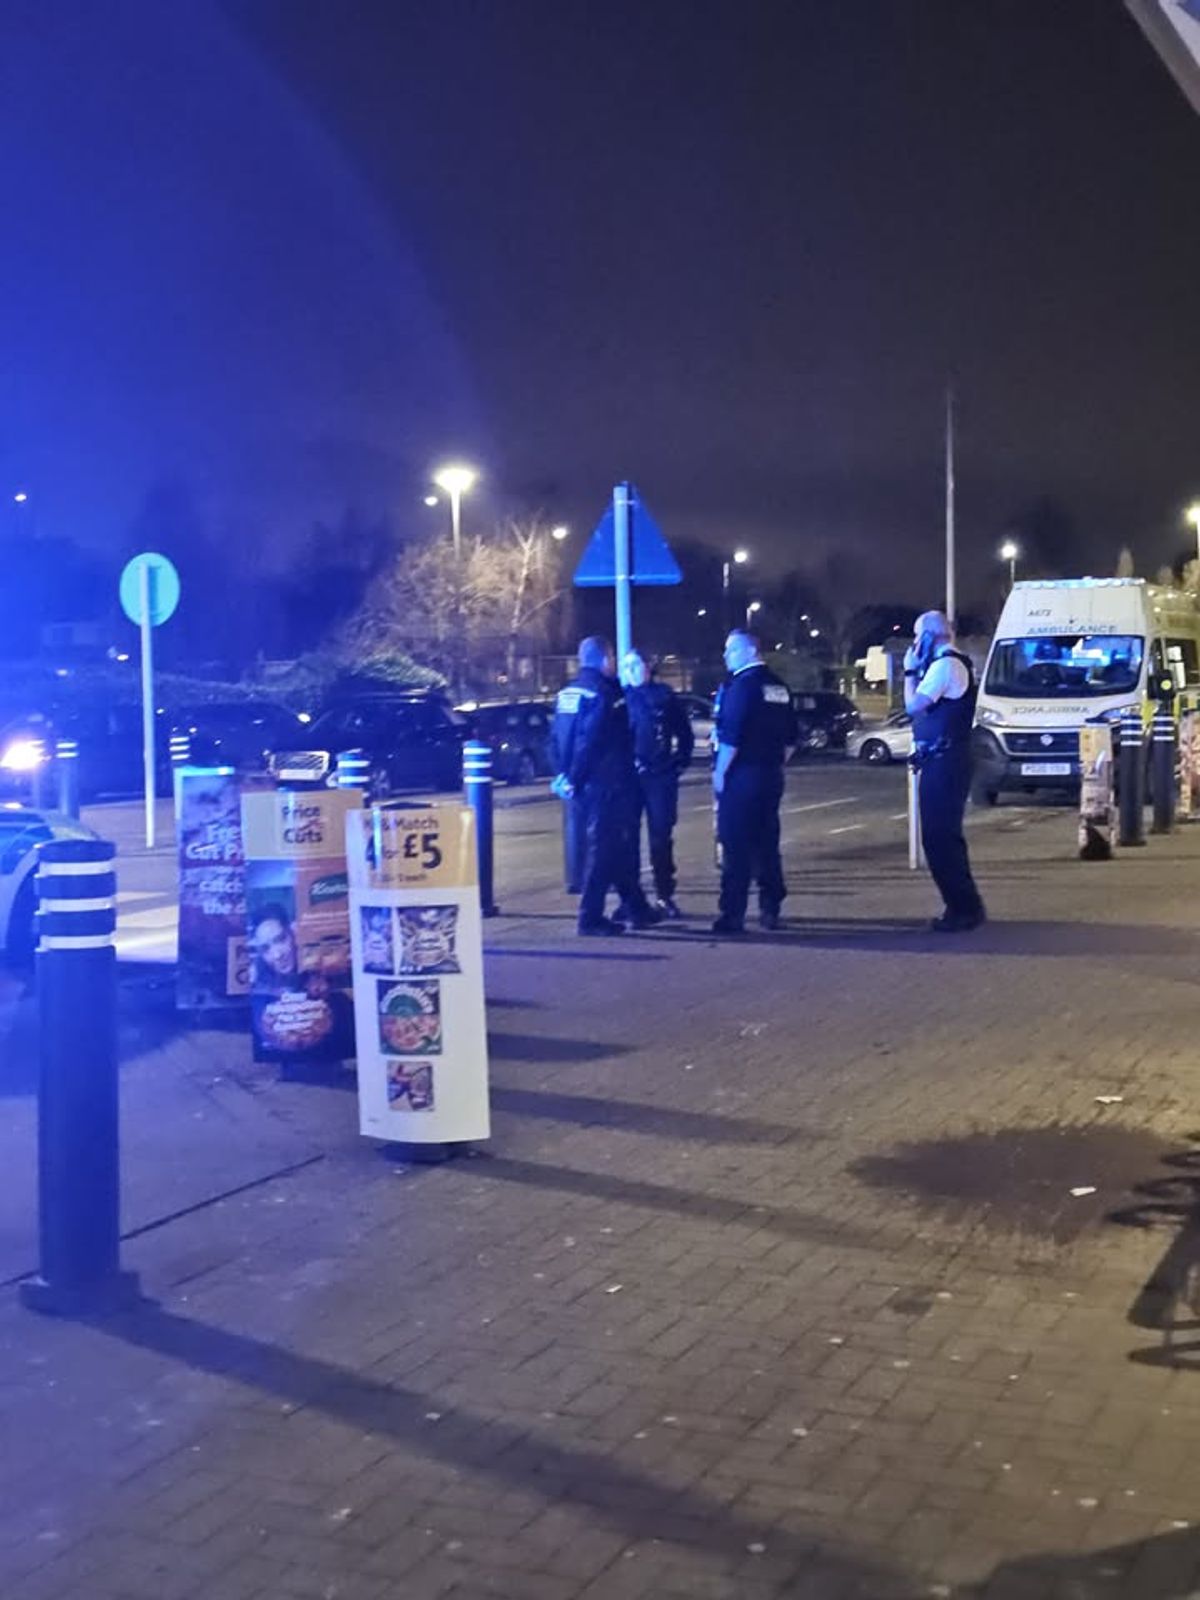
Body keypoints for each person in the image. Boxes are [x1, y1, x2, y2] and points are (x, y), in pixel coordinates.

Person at [553, 637, 660, 936]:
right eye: (612, 658)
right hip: (607, 782)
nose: (613, 663)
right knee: (605, 850)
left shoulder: (568, 693)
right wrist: (575, 776)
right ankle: (590, 917)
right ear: (604, 659)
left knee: (617, 847)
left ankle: (636, 907)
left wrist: (563, 775)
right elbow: (591, 739)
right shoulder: (605, 693)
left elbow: (556, 738)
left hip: (583, 784)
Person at [904, 610, 986, 933]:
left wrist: (909, 671)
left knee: (939, 838)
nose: (914, 643)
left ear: (927, 636)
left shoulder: (945, 666)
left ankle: (962, 909)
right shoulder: (953, 662)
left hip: (945, 759)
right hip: (947, 758)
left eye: (916, 636)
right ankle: (965, 905)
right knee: (945, 836)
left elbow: (914, 705)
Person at [711, 631, 797, 935]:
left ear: (750, 651)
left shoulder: (741, 687)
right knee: (767, 844)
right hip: (770, 775)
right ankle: (770, 908)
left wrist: (720, 773)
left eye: (731, 650)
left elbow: (730, 739)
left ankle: (732, 914)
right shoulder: (778, 686)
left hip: (741, 776)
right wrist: (772, 763)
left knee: (735, 846)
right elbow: (791, 739)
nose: (726, 656)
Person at [620, 650, 694, 918]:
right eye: (626, 666)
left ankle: (664, 895)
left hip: (659, 776)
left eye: (635, 665)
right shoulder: (620, 698)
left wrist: (678, 763)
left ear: (647, 667)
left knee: (660, 838)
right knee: (627, 838)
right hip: (629, 778)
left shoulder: (664, 695)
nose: (630, 671)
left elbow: (684, 733)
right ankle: (631, 899)